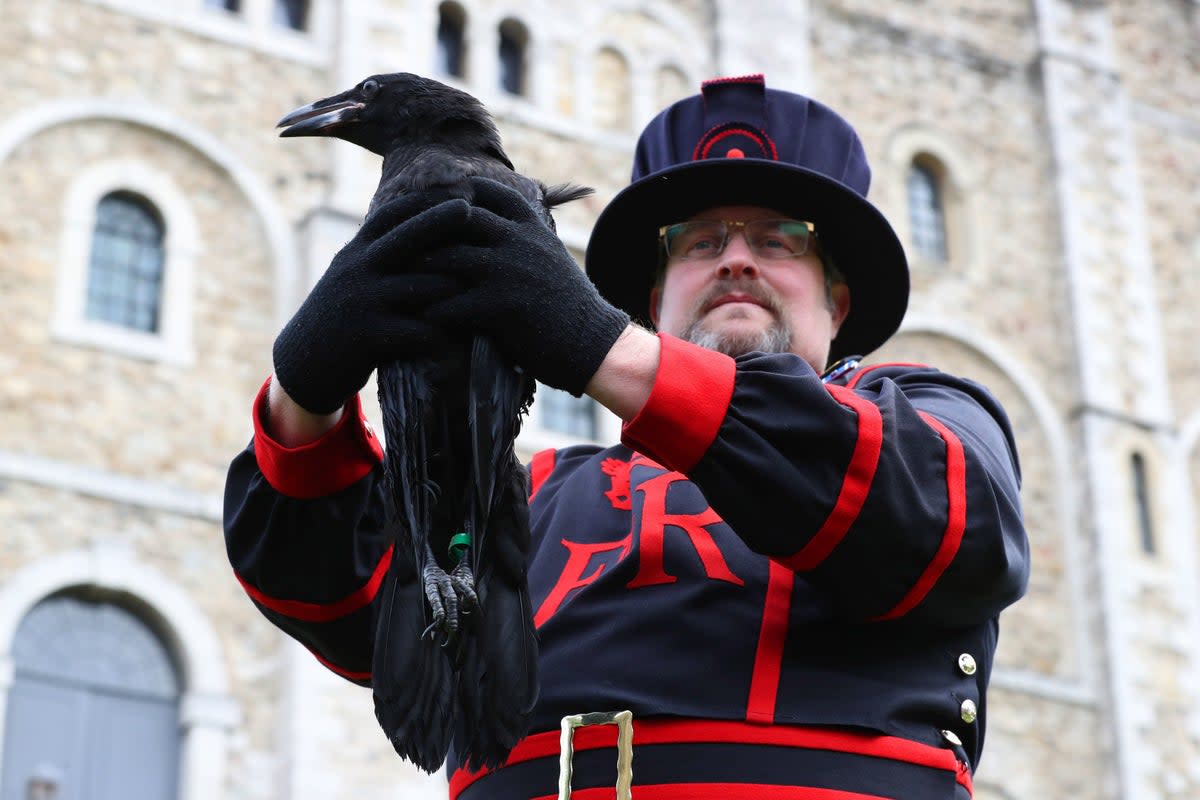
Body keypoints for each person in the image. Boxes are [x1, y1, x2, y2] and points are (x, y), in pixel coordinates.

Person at [225, 74, 1028, 799]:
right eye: (700, 242)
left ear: (839, 303)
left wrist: (597, 346)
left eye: (780, 239)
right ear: (655, 295)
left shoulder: (929, 415)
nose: (736, 261)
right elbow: (345, 602)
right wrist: (307, 387)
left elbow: (944, 522)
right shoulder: (536, 492)